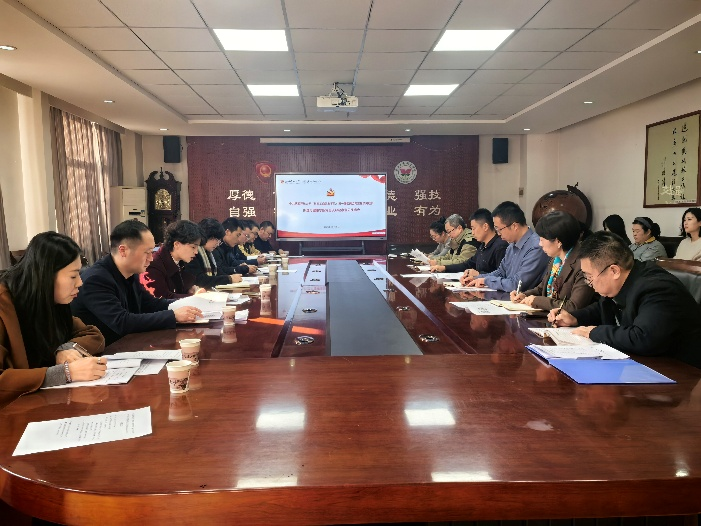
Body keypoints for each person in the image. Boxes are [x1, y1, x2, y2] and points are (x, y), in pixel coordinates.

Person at [549, 231, 701, 368]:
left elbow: (643, 338)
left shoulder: (657, 288)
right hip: (644, 364)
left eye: (589, 277)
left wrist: (594, 332)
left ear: (614, 271)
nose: (589, 283)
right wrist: (574, 318)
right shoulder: (625, 279)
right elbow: (602, 308)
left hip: (682, 372)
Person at [0, 232, 106, 408]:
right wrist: (64, 373)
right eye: (73, 276)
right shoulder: (4, 304)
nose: (80, 283)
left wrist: (63, 349)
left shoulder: (47, 301)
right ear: (46, 275)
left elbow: (93, 334)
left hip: (44, 403)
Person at [71, 220, 203, 346]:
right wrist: (173, 316)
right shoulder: (96, 279)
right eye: (147, 252)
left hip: (128, 345)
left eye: (152, 252)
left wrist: (191, 302)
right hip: (104, 352)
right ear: (123, 251)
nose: (151, 258)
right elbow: (122, 322)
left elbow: (150, 304)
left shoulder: (130, 273)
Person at [511, 211, 596, 312]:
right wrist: (524, 295)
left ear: (558, 241)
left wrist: (537, 301)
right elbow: (541, 289)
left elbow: (574, 307)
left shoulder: (583, 264)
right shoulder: (556, 260)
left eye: (542, 240)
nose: (540, 244)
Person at [465, 201, 549, 292]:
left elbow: (516, 284)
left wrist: (486, 281)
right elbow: (501, 272)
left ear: (514, 226)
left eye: (499, 229)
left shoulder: (536, 247)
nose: (498, 234)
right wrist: (477, 278)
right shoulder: (511, 246)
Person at [431, 208, 507, 276]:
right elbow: (468, 264)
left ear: (485, 227)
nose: (472, 233)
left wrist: (479, 275)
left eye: (474, 228)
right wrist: (445, 268)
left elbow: (502, 275)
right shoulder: (483, 246)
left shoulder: (500, 246)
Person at [141, 220, 201, 299]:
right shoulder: (154, 264)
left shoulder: (180, 262)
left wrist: (190, 290)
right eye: (193, 247)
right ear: (176, 244)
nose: (196, 252)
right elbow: (162, 298)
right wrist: (195, 297)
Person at [185, 218, 243, 289]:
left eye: (219, 240)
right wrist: (229, 279)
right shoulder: (194, 253)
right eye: (216, 239)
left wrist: (231, 277)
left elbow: (217, 272)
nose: (218, 244)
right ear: (207, 236)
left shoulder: (208, 253)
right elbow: (200, 280)